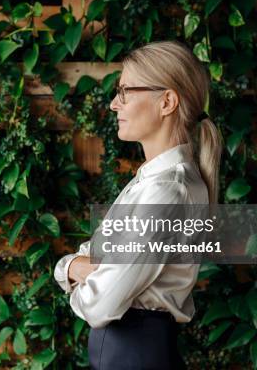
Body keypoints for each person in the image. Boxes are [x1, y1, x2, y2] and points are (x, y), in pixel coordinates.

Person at [54, 40, 223, 369]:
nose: (115, 104)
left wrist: (71, 270)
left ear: (167, 101)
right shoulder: (154, 184)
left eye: (125, 91)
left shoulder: (165, 193)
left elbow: (99, 304)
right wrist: (76, 267)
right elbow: (96, 255)